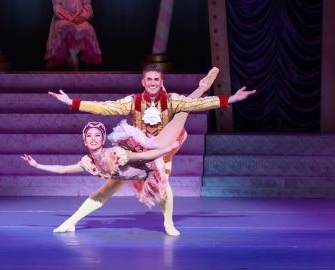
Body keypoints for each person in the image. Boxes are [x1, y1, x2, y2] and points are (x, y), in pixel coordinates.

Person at [48, 65, 256, 235]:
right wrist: (73, 103)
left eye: (157, 80)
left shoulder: (172, 99)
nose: (153, 83)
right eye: (149, 79)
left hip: (164, 146)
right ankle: (71, 222)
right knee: (108, 189)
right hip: (138, 149)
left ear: (162, 83)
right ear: (143, 82)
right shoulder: (133, 101)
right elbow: (106, 107)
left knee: (185, 112)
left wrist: (231, 99)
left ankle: (168, 223)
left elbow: (201, 105)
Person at [22, 120, 181, 233]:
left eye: (97, 135)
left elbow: (147, 156)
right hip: (121, 175)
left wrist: (168, 148)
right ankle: (70, 223)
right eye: (89, 136)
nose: (93, 139)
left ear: (103, 139)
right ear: (84, 141)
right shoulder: (88, 162)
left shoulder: (115, 154)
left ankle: (169, 223)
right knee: (99, 195)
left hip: (146, 168)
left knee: (163, 187)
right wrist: (37, 165)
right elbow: (63, 169)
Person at [45, 0, 102, 70]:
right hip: (63, 18)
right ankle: (71, 59)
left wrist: (82, 17)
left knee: (85, 28)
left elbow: (87, 6)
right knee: (66, 28)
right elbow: (57, 8)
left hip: (80, 19)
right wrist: (70, 17)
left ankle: (74, 58)